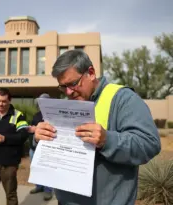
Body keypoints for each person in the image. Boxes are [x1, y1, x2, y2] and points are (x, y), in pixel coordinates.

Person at [34, 49, 161, 205]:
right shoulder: (67, 104)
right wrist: (40, 138)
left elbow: (149, 143)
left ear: (91, 73)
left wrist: (107, 140)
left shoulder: (123, 99)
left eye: (73, 84)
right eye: (63, 87)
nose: (68, 92)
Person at [27, 93, 53, 201]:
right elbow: (32, 129)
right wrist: (31, 129)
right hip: (34, 148)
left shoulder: (52, 115)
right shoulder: (36, 115)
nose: (40, 104)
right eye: (39, 102)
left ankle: (48, 190)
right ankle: (39, 186)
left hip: (47, 149)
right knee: (36, 169)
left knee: (47, 169)